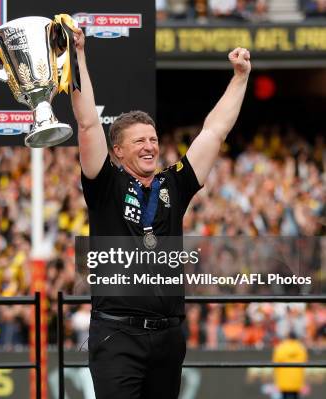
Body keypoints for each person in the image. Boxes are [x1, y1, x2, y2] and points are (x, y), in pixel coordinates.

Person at [70, 27, 251, 399]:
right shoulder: (105, 185)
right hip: (117, 334)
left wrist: (240, 78)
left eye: (153, 139)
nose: (150, 146)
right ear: (117, 151)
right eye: (140, 141)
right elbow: (88, 123)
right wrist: (79, 56)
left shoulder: (174, 184)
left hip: (168, 336)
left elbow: (214, 131)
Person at [273, 332, 308, 399]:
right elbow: (305, 361)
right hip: (297, 381)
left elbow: (275, 362)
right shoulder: (300, 348)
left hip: (283, 381)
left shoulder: (281, 347)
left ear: (288, 337)